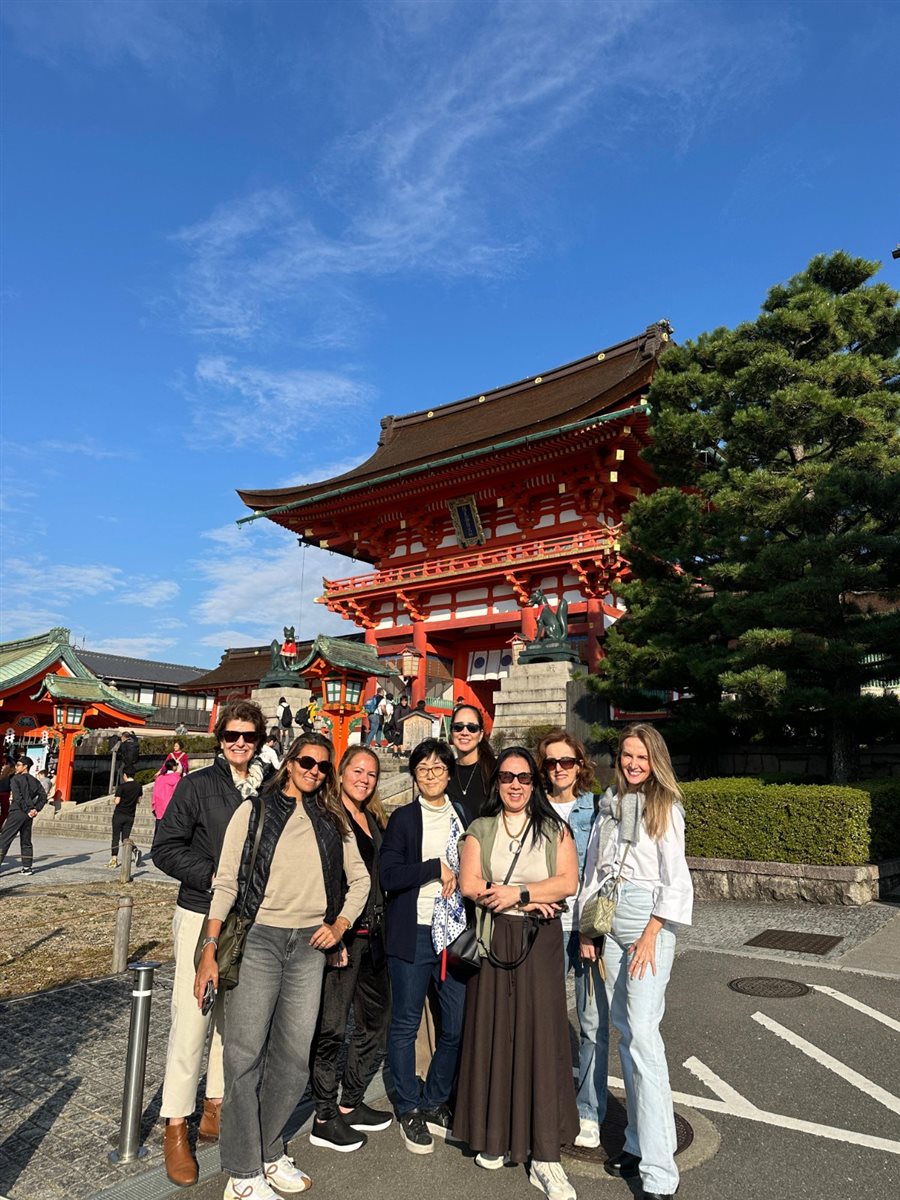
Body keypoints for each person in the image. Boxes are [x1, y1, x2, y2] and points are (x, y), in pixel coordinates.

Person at [194, 733, 370, 1200]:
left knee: (293, 1059)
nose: (315, 771)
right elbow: (227, 882)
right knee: (244, 1055)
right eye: (307, 762)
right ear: (289, 763)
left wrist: (340, 925)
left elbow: (360, 879)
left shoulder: (332, 819)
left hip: (309, 944)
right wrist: (209, 948)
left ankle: (271, 1150)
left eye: (322, 766)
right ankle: (242, 1168)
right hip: (259, 940)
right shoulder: (252, 811)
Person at [152, 700, 269, 1187]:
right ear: (219, 739)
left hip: (250, 919)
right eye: (231, 736)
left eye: (248, 736)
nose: (239, 743)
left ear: (260, 740)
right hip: (201, 912)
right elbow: (164, 848)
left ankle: (216, 1106)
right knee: (193, 1014)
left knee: (232, 1017)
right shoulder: (199, 786)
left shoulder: (270, 787)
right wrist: (218, 880)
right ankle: (176, 1122)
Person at [454, 747, 579, 1200]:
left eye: (524, 778)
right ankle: (493, 1134)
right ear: (497, 783)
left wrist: (519, 894)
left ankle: (545, 1156)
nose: (515, 785)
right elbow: (469, 884)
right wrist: (523, 897)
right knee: (495, 1033)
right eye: (507, 777)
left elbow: (567, 883)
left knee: (541, 1038)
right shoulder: (481, 829)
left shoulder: (553, 828)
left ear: (535, 783)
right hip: (493, 939)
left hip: (538, 940)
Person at [575, 724, 693, 1200]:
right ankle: (637, 1141)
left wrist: (651, 934)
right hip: (609, 920)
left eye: (641, 756)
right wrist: (587, 928)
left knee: (644, 1038)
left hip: (647, 924)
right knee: (623, 1031)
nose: (632, 763)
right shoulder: (610, 806)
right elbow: (595, 869)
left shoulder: (666, 807)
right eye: (626, 755)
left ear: (655, 759)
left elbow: (675, 877)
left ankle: (661, 1172)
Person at [380, 738, 470, 1154]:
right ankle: (408, 1105)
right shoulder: (403, 818)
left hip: (453, 933)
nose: (431, 775)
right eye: (423, 769)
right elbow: (390, 876)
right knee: (405, 1022)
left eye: (438, 768)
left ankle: (435, 1099)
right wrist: (434, 868)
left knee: (454, 1025)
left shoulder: (463, 815)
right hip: (413, 929)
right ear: (414, 776)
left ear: (450, 774)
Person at [310, 746, 392, 1151]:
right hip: (343, 938)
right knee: (332, 1027)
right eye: (357, 771)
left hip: (375, 934)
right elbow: (326, 880)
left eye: (372, 774)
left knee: (377, 1021)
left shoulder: (374, 818)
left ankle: (351, 1101)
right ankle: (323, 1115)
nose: (364, 779)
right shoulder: (329, 818)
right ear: (340, 774)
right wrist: (335, 934)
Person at [537, 729, 607, 1148]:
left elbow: (605, 869)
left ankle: (589, 1108)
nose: (559, 769)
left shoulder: (597, 809)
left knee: (592, 1023)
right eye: (551, 762)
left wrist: (593, 929)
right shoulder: (532, 806)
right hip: (543, 927)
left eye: (567, 761)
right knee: (541, 1019)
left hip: (585, 930)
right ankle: (543, 1100)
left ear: (580, 765)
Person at [445, 703, 496, 817]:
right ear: (452, 733)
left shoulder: (494, 770)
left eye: (472, 728)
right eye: (458, 727)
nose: (464, 732)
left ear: (481, 735)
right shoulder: (444, 771)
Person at [0, 758, 48, 875]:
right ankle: (27, 867)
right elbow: (43, 797)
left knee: (5, 839)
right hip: (28, 815)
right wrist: (35, 809)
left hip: (17, 812)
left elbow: (18, 797)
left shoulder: (15, 779)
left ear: (25, 766)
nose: (16, 767)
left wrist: (29, 810)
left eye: (18, 765)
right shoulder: (35, 781)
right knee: (26, 840)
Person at [109, 770, 144, 869]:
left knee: (115, 837)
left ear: (125, 775)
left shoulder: (122, 786)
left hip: (119, 814)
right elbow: (138, 800)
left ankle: (114, 860)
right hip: (130, 815)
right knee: (125, 838)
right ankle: (135, 850)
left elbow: (117, 801)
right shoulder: (138, 786)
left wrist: (114, 799)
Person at [152, 760, 181, 827]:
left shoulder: (159, 778)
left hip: (158, 807)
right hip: (170, 809)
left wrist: (154, 806)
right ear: (174, 767)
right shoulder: (176, 778)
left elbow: (154, 793)